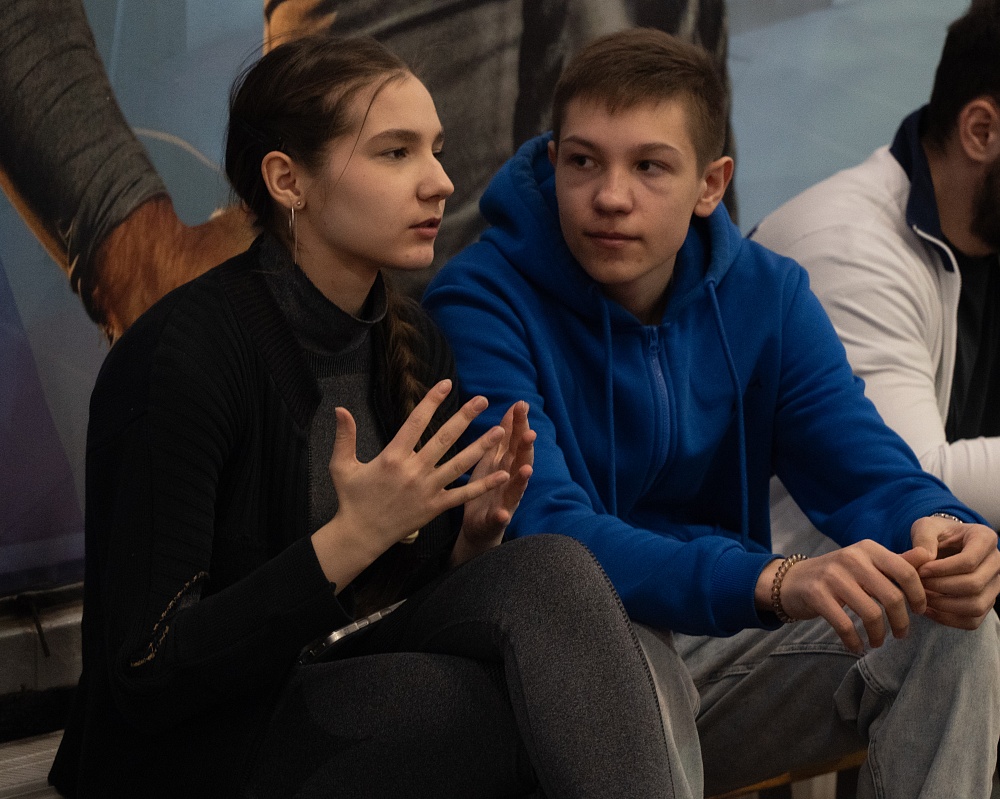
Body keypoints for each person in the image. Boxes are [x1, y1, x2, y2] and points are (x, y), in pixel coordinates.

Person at [47, 34, 676, 798]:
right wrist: (352, 537)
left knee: (554, 572)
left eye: (436, 150)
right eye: (395, 153)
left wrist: (471, 540)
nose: (440, 182)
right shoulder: (182, 353)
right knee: (514, 711)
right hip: (197, 746)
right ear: (288, 180)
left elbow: (386, 607)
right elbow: (147, 669)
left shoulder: (412, 338)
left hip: (337, 681)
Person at [423, 27, 1000, 798]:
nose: (611, 196)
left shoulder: (768, 293)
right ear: (553, 161)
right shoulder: (479, 300)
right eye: (583, 161)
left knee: (948, 622)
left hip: (718, 639)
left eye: (649, 165)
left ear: (711, 183)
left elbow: (863, 463)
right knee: (627, 646)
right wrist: (772, 579)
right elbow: (552, 539)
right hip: (558, 660)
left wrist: (944, 526)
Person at [751, 0, 1000, 551]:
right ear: (981, 131)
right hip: (780, 587)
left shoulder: (986, 229)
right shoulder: (845, 246)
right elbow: (918, 482)